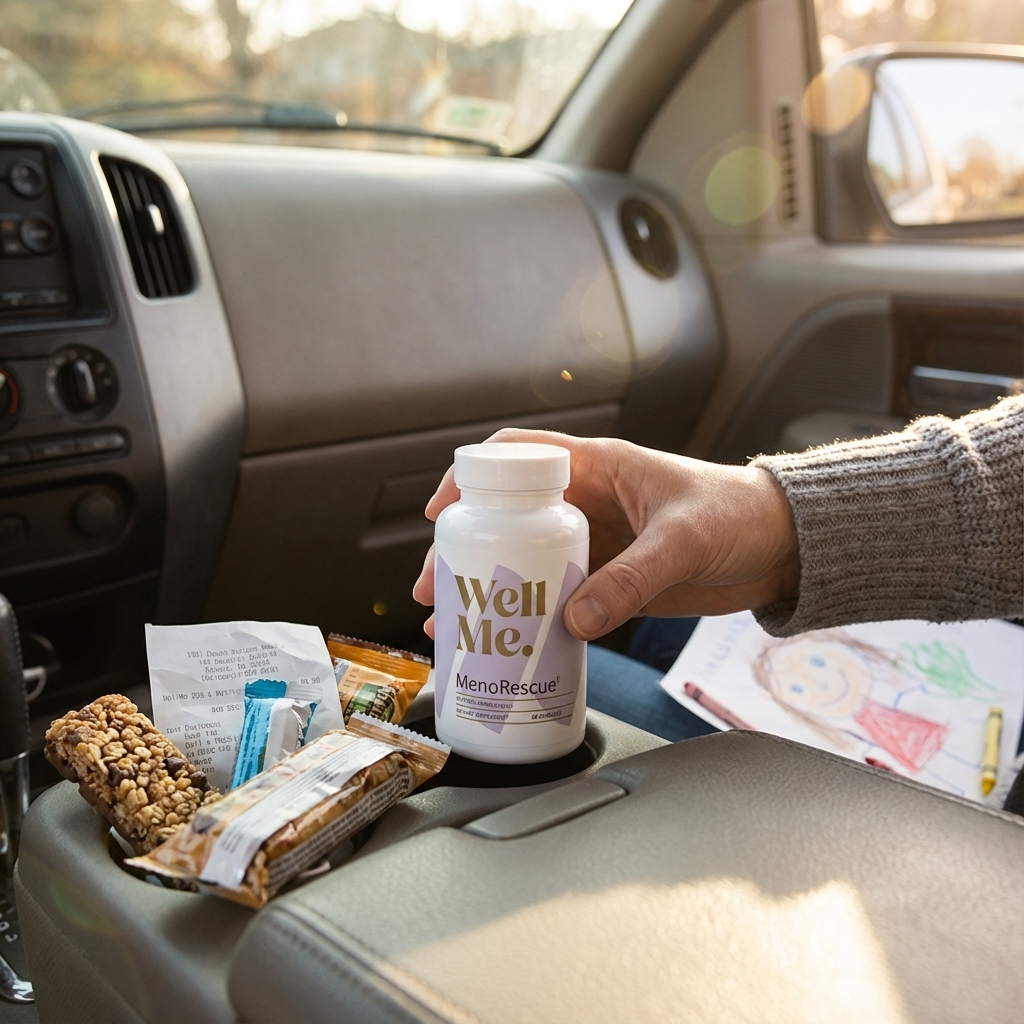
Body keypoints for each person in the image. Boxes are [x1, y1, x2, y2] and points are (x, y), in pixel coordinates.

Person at [412, 396, 1024, 806]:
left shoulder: (556, 524)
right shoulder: (518, 525)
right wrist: (780, 527)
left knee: (593, 655)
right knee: (653, 621)